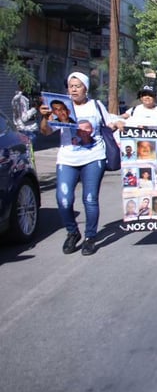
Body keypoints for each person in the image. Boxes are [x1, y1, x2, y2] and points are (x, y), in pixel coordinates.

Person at [38, 72, 124, 256]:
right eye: (71, 86)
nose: (74, 89)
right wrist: (45, 117)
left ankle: (90, 237)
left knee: (90, 198)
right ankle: (72, 232)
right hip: (67, 159)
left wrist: (119, 123)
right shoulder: (61, 108)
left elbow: (110, 123)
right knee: (63, 199)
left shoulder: (95, 105)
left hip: (94, 157)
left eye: (78, 86)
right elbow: (45, 132)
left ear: (86, 88)